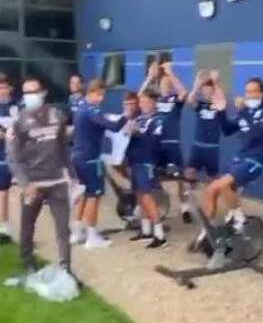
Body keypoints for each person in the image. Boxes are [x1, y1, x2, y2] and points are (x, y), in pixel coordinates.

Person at [7, 76, 76, 274]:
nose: (30, 96)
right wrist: (25, 183)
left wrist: (73, 176)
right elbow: (13, 157)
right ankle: (27, 261)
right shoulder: (19, 122)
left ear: (43, 93)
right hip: (33, 184)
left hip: (57, 182)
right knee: (27, 225)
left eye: (33, 91)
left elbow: (63, 148)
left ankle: (66, 269)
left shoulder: (57, 115)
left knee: (63, 228)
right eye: (26, 93)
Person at [198, 78, 263, 248]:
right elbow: (227, 130)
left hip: (255, 160)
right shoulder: (245, 110)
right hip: (239, 158)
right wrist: (221, 111)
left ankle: (239, 220)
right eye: (247, 91)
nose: (249, 95)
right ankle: (207, 232)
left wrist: (243, 111)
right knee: (212, 190)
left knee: (222, 186)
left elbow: (256, 134)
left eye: (253, 91)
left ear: (262, 93)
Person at [71, 78, 130, 249]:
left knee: (85, 195)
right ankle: (92, 237)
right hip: (90, 159)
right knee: (94, 196)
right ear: (91, 92)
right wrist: (126, 115)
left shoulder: (81, 107)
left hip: (79, 156)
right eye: (99, 95)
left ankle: (77, 232)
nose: (101, 98)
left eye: (102, 95)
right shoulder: (91, 110)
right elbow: (113, 127)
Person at [126, 90, 167, 248]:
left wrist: (138, 134)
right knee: (139, 196)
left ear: (154, 103)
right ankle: (146, 230)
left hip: (147, 162)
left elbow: (155, 143)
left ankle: (160, 235)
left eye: (147, 102)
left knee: (147, 197)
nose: (143, 105)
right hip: (135, 161)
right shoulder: (139, 118)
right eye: (142, 102)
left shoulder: (158, 120)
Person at [151, 61, 191, 223]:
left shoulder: (175, 99)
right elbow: (140, 97)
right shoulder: (155, 100)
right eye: (163, 84)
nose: (165, 86)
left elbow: (184, 92)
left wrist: (170, 73)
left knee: (181, 177)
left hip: (172, 143)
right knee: (154, 175)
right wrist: (150, 77)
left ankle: (185, 208)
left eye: (168, 84)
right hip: (157, 144)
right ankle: (159, 203)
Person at [185, 70, 224, 184]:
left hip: (212, 147)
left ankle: (211, 193)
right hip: (198, 145)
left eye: (209, 91)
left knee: (212, 177)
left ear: (213, 91)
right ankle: (191, 191)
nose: (207, 93)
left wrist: (216, 82)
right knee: (189, 172)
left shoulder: (219, 105)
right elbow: (190, 100)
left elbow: (221, 103)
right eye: (205, 91)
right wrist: (196, 85)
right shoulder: (200, 105)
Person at [0, 73, 19, 241]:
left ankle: (5, 226)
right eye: (0, 87)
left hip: (11, 156)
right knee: (2, 193)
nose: (3, 90)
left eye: (5, 87)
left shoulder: (15, 107)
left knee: (5, 192)